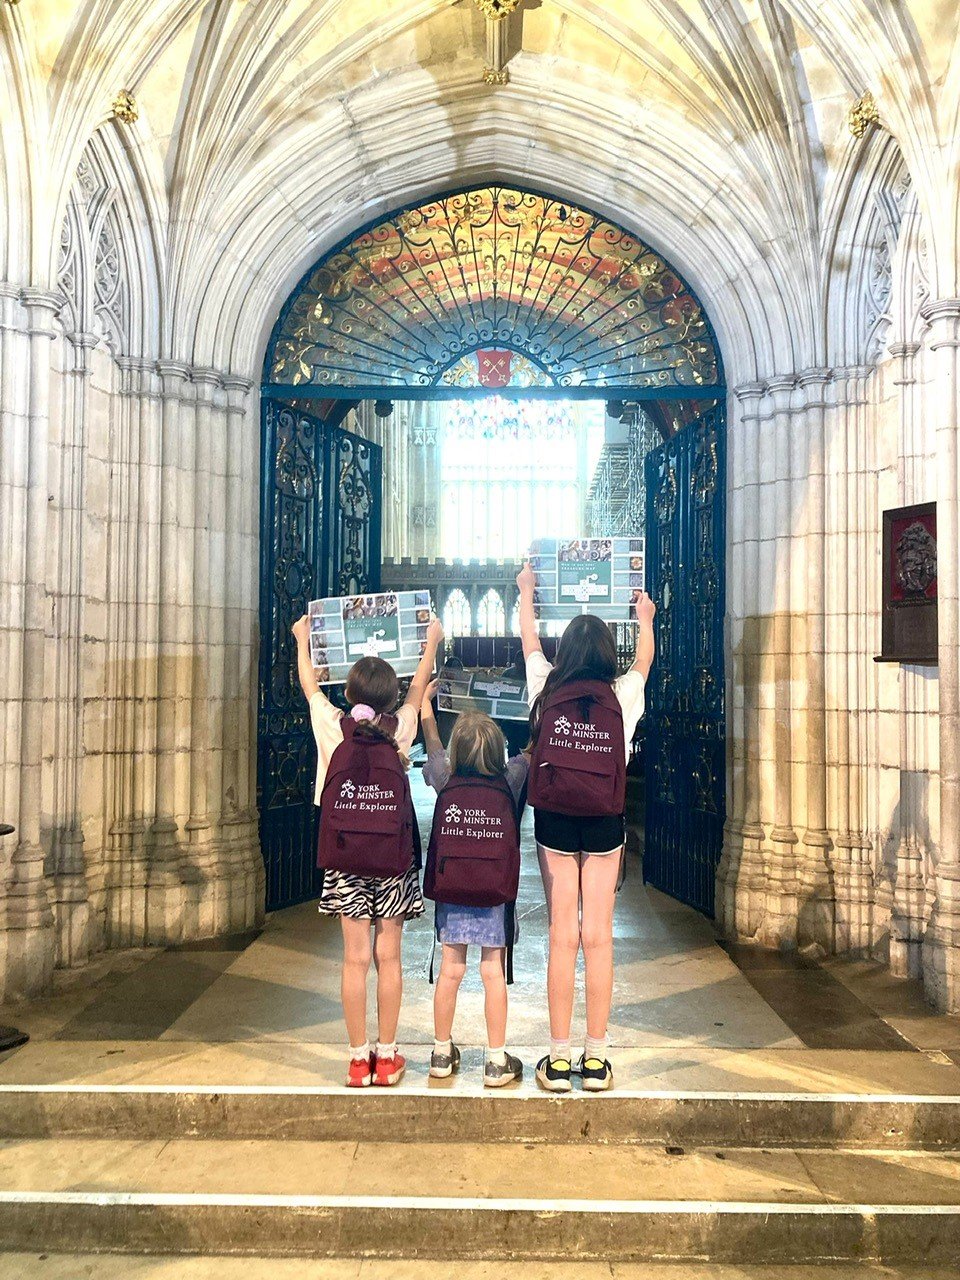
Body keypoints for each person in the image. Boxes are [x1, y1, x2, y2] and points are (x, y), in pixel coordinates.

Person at [516, 564, 656, 1092]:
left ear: (567, 652)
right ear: (604, 654)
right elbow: (645, 660)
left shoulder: (544, 687)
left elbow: (528, 638)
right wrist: (645, 617)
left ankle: (556, 1059)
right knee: (597, 936)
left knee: (560, 936)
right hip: (604, 821)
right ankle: (595, 1059)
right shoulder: (620, 696)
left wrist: (527, 591)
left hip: (554, 817)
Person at [292, 612, 444, 1088]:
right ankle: (388, 1056)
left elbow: (308, 687)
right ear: (390, 697)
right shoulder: (399, 727)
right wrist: (431, 640)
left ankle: (358, 1061)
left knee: (354, 960)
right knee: (389, 958)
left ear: (351, 693)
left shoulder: (334, 725)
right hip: (391, 858)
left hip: (344, 858)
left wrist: (302, 638)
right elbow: (419, 689)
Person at [420, 684, 528, 1088]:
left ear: (457, 753)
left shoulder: (446, 779)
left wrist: (429, 712)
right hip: (494, 892)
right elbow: (532, 753)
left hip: (454, 888)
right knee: (491, 973)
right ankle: (497, 1061)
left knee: (450, 970)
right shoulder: (510, 779)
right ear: (498, 750)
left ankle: (441, 1052)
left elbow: (432, 750)